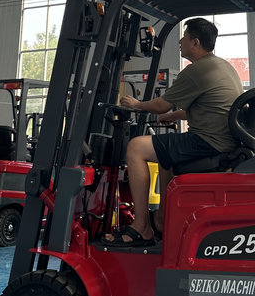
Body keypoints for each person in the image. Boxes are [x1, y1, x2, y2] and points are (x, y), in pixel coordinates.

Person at [104, 17, 242, 246]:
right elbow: (214, 109)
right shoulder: (223, 66)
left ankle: (142, 226)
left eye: (184, 37)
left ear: (195, 43)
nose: (180, 41)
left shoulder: (196, 70)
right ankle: (161, 219)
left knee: (136, 147)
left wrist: (137, 104)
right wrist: (176, 115)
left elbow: (160, 105)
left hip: (209, 142)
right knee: (163, 154)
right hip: (223, 140)